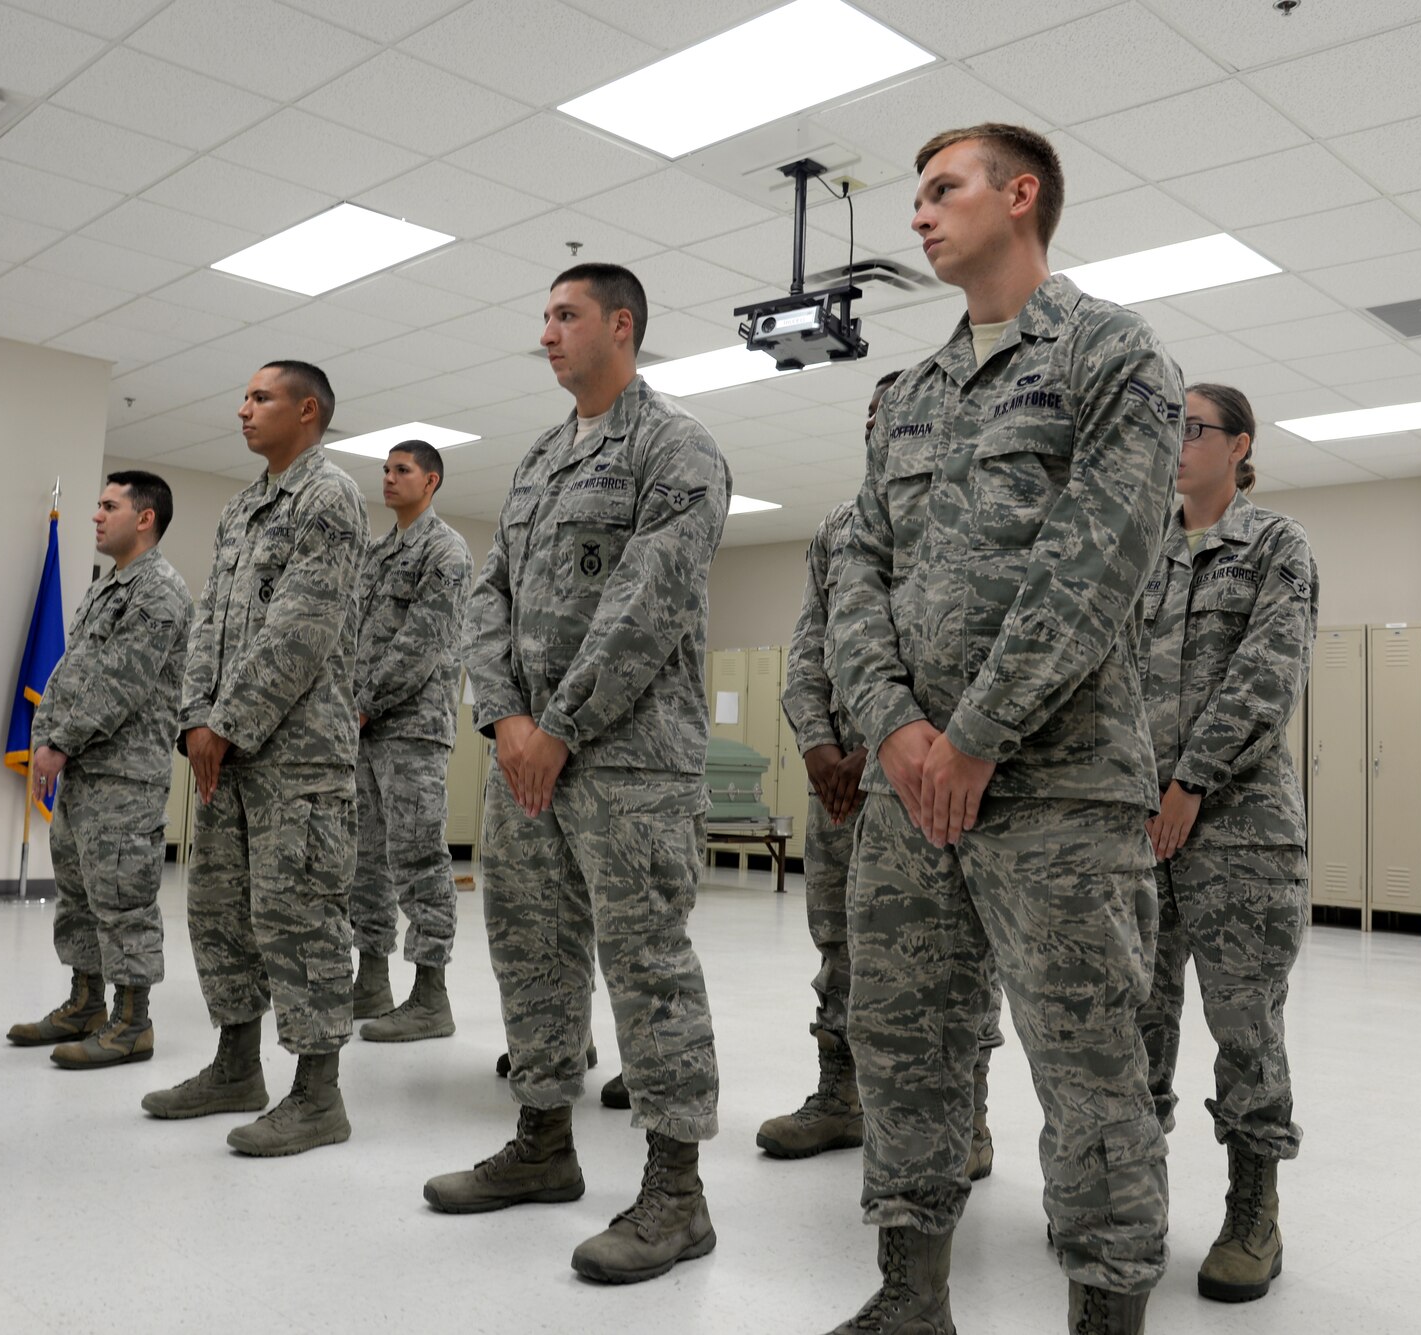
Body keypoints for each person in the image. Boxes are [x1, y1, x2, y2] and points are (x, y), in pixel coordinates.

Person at [826, 123, 1182, 1334]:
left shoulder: (1109, 354)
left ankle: (1104, 1312)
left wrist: (971, 736)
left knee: (1087, 1068)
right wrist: (893, 731)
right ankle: (907, 1296)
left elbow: (1099, 562)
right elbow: (854, 570)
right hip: (906, 791)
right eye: (915, 194)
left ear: (1019, 196)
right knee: (903, 1043)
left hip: (1055, 786)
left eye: (940, 190)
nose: (916, 216)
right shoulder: (911, 395)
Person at [423, 263, 729, 1286]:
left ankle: (674, 1194)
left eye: (564, 315)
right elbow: (488, 595)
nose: (546, 332)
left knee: (648, 971)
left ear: (620, 326)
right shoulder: (541, 458)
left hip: (629, 763)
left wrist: (555, 726)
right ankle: (542, 1144)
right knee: (531, 948)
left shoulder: (674, 447)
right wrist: (505, 718)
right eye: (542, 315)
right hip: (525, 762)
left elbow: (648, 603)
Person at [761, 374, 1007, 1174]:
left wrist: (884, 738)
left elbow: (967, 648)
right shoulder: (838, 529)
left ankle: (966, 1115)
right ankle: (841, 1095)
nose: (884, 428)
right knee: (839, 944)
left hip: (927, 770)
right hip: (840, 781)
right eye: (874, 416)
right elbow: (811, 643)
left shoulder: (973, 512)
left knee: (959, 953)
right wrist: (816, 747)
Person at [141, 360, 368, 1158]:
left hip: (298, 759)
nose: (242, 409)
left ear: (307, 411)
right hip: (226, 754)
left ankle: (318, 1093)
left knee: (299, 917)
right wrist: (197, 718)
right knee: (220, 911)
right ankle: (236, 1064)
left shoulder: (329, 499)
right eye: (242, 396)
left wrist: (228, 721)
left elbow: (301, 630)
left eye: (260, 398)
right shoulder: (242, 508)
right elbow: (208, 625)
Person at [1136, 383, 1316, 1304]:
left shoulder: (1277, 547)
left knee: (1245, 1030)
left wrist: (1190, 782)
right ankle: (1130, 1202)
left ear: (1241, 444)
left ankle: (1254, 1216)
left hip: (1241, 837)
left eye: (1193, 427)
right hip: (1139, 833)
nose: (1176, 440)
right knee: (1136, 1025)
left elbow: (1265, 677)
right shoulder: (1143, 552)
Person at [7, 471, 191, 1069]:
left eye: (109, 506)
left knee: (123, 899)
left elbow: (121, 683)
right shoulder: (107, 587)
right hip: (85, 770)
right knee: (80, 897)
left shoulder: (158, 590)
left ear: (144, 518)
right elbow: (71, 672)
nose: (96, 515)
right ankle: (84, 1003)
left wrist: (60, 742)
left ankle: (132, 1022)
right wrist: (47, 739)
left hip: (125, 776)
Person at [348, 439, 474, 1042]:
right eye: (386, 469)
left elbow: (419, 646)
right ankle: (371, 977)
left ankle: (430, 994)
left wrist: (364, 705)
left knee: (419, 859)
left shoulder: (446, 552)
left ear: (432, 482)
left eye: (403, 470)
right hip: (366, 731)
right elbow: (355, 638)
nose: (389, 478)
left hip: (413, 731)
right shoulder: (376, 556)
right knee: (365, 859)